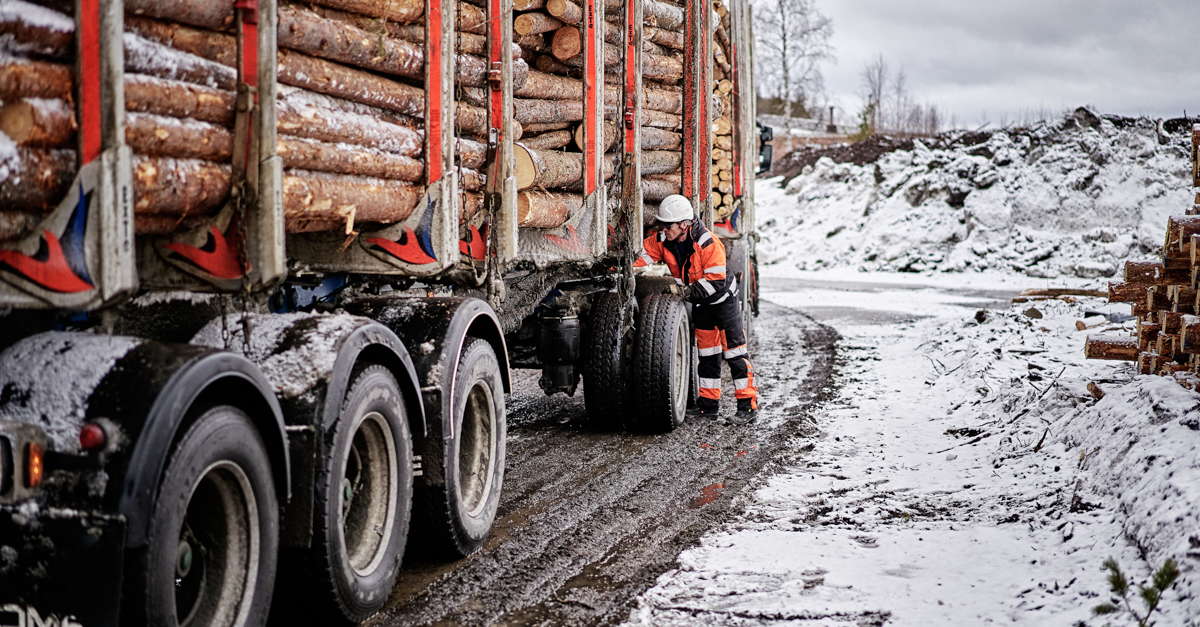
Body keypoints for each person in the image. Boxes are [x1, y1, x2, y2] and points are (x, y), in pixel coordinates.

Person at [633, 194, 758, 424]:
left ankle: (747, 407)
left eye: (667, 225)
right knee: (707, 355)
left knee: (735, 354)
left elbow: (716, 282)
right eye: (662, 225)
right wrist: (616, 265)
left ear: (683, 224)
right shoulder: (664, 240)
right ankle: (708, 406)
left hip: (723, 303)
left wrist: (684, 293)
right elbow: (639, 256)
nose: (664, 229)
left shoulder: (708, 243)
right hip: (702, 305)